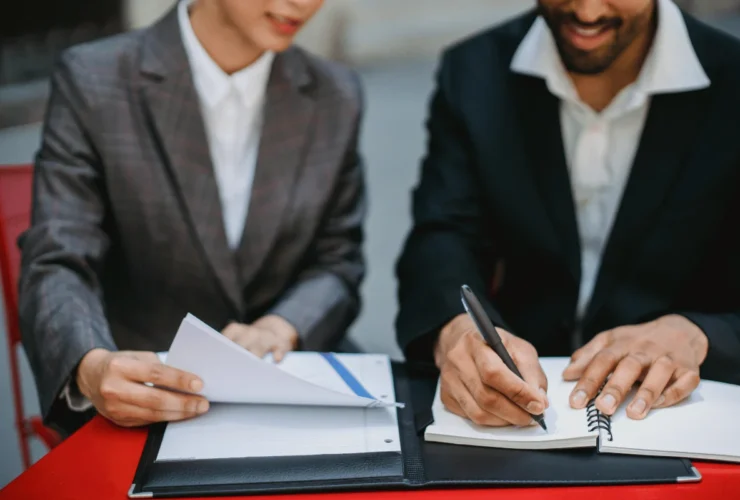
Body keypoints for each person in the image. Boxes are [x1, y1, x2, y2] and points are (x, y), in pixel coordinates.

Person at [19, 0, 366, 437]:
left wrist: (283, 325)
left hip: (292, 378)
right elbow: (57, 256)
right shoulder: (95, 79)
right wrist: (90, 364)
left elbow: (338, 259)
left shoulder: (337, 94)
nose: (300, 4)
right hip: (147, 383)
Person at [396, 0, 740, 429]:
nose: (588, 12)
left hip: (684, 409)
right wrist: (455, 333)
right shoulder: (474, 70)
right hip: (517, 408)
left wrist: (698, 335)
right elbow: (443, 235)